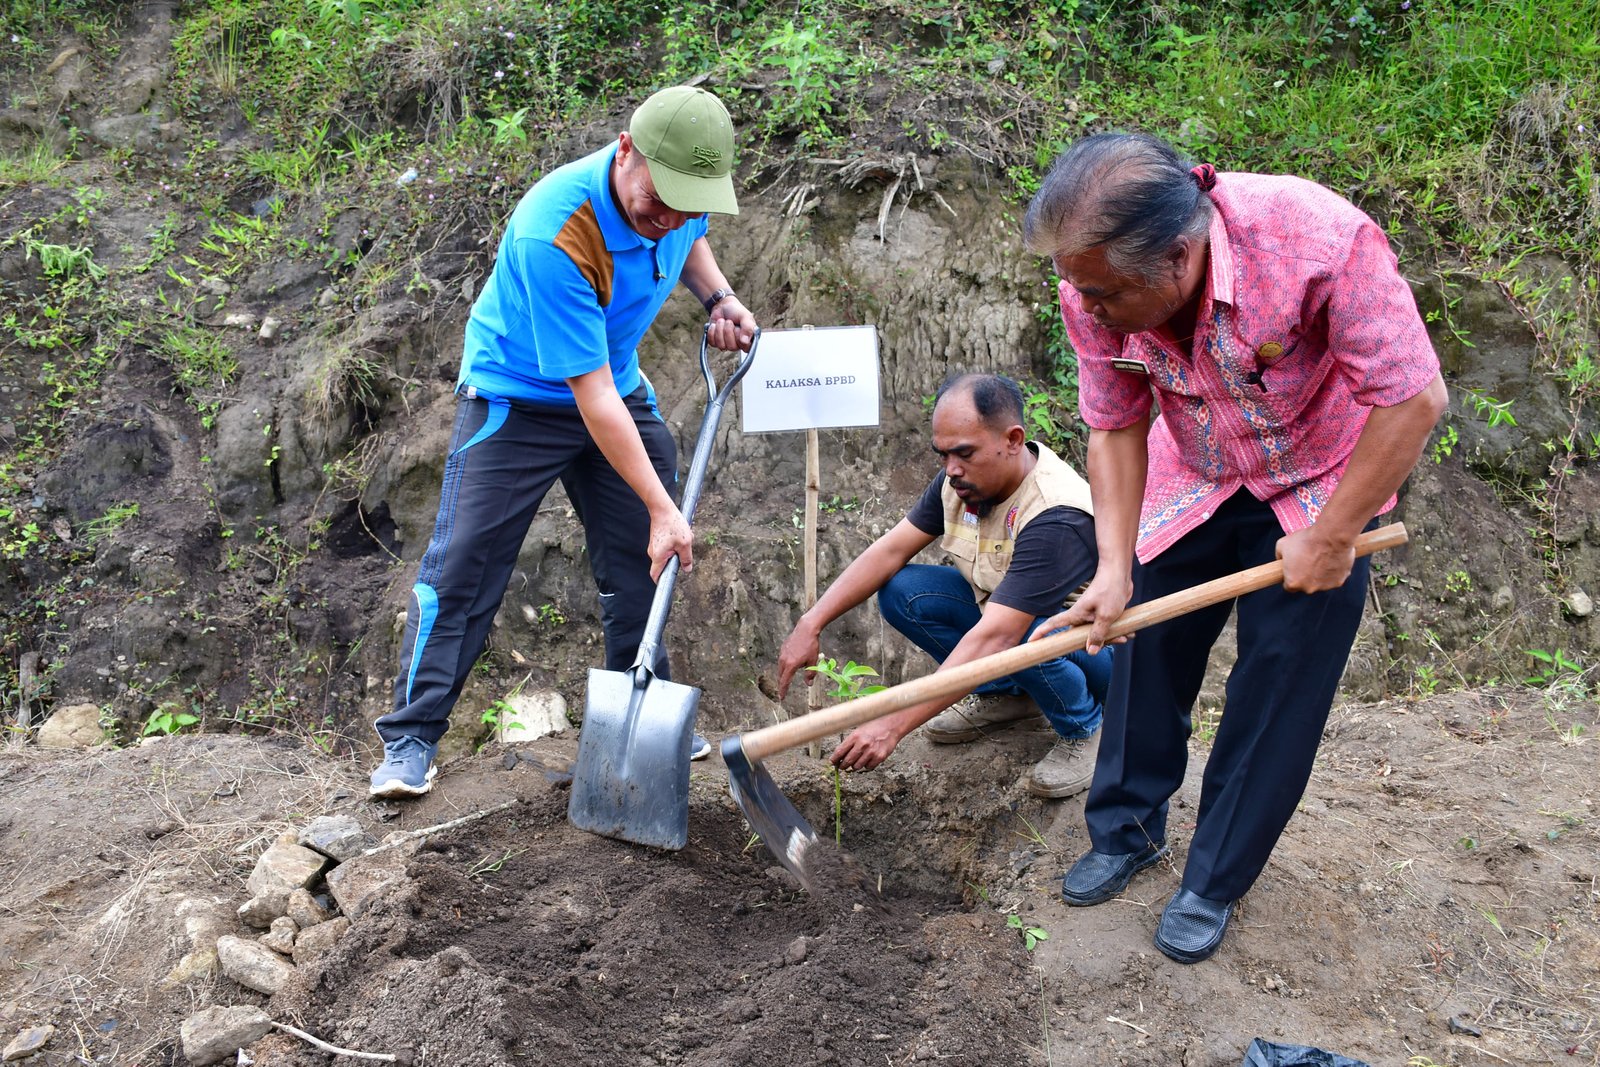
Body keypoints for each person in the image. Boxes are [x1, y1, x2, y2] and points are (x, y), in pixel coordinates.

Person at [1021, 132, 1447, 962]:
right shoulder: (1091, 282)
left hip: (1325, 475)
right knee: (1145, 639)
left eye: (1105, 293)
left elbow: (1413, 397)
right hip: (1202, 468)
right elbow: (1112, 423)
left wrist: (1332, 537)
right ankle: (1128, 826)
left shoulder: (1317, 241)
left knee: (1280, 683)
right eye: (1080, 288)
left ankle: (1213, 877)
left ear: (1179, 257)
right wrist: (1113, 568)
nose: (1087, 308)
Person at [369, 86, 759, 798]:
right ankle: (410, 739)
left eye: (686, 201)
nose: (667, 216)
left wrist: (719, 298)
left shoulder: (683, 191)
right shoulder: (556, 231)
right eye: (657, 200)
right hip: (518, 397)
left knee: (645, 559)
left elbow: (690, 233)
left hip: (614, 382)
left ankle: (639, 727)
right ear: (624, 151)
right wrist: (664, 506)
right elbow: (594, 400)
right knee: (463, 564)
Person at [774, 373, 1113, 797]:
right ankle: (1006, 697)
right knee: (905, 591)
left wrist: (892, 724)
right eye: (943, 455)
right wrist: (812, 622)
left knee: (1023, 631)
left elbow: (997, 635)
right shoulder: (962, 482)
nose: (951, 469)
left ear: (1013, 438)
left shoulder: (1055, 515)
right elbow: (889, 552)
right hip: (1011, 628)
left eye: (964, 453)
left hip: (1097, 654)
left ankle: (1084, 728)